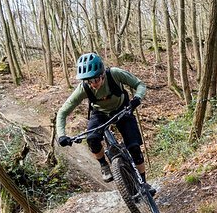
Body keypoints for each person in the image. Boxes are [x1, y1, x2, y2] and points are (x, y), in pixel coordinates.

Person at [56, 52, 149, 187]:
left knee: (134, 147)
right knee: (92, 139)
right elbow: (63, 112)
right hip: (100, 113)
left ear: (102, 75)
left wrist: (137, 99)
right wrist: (61, 136)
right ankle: (104, 165)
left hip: (123, 109)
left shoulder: (115, 74)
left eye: (95, 80)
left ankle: (144, 182)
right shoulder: (83, 88)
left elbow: (140, 85)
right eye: (89, 81)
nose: (93, 84)